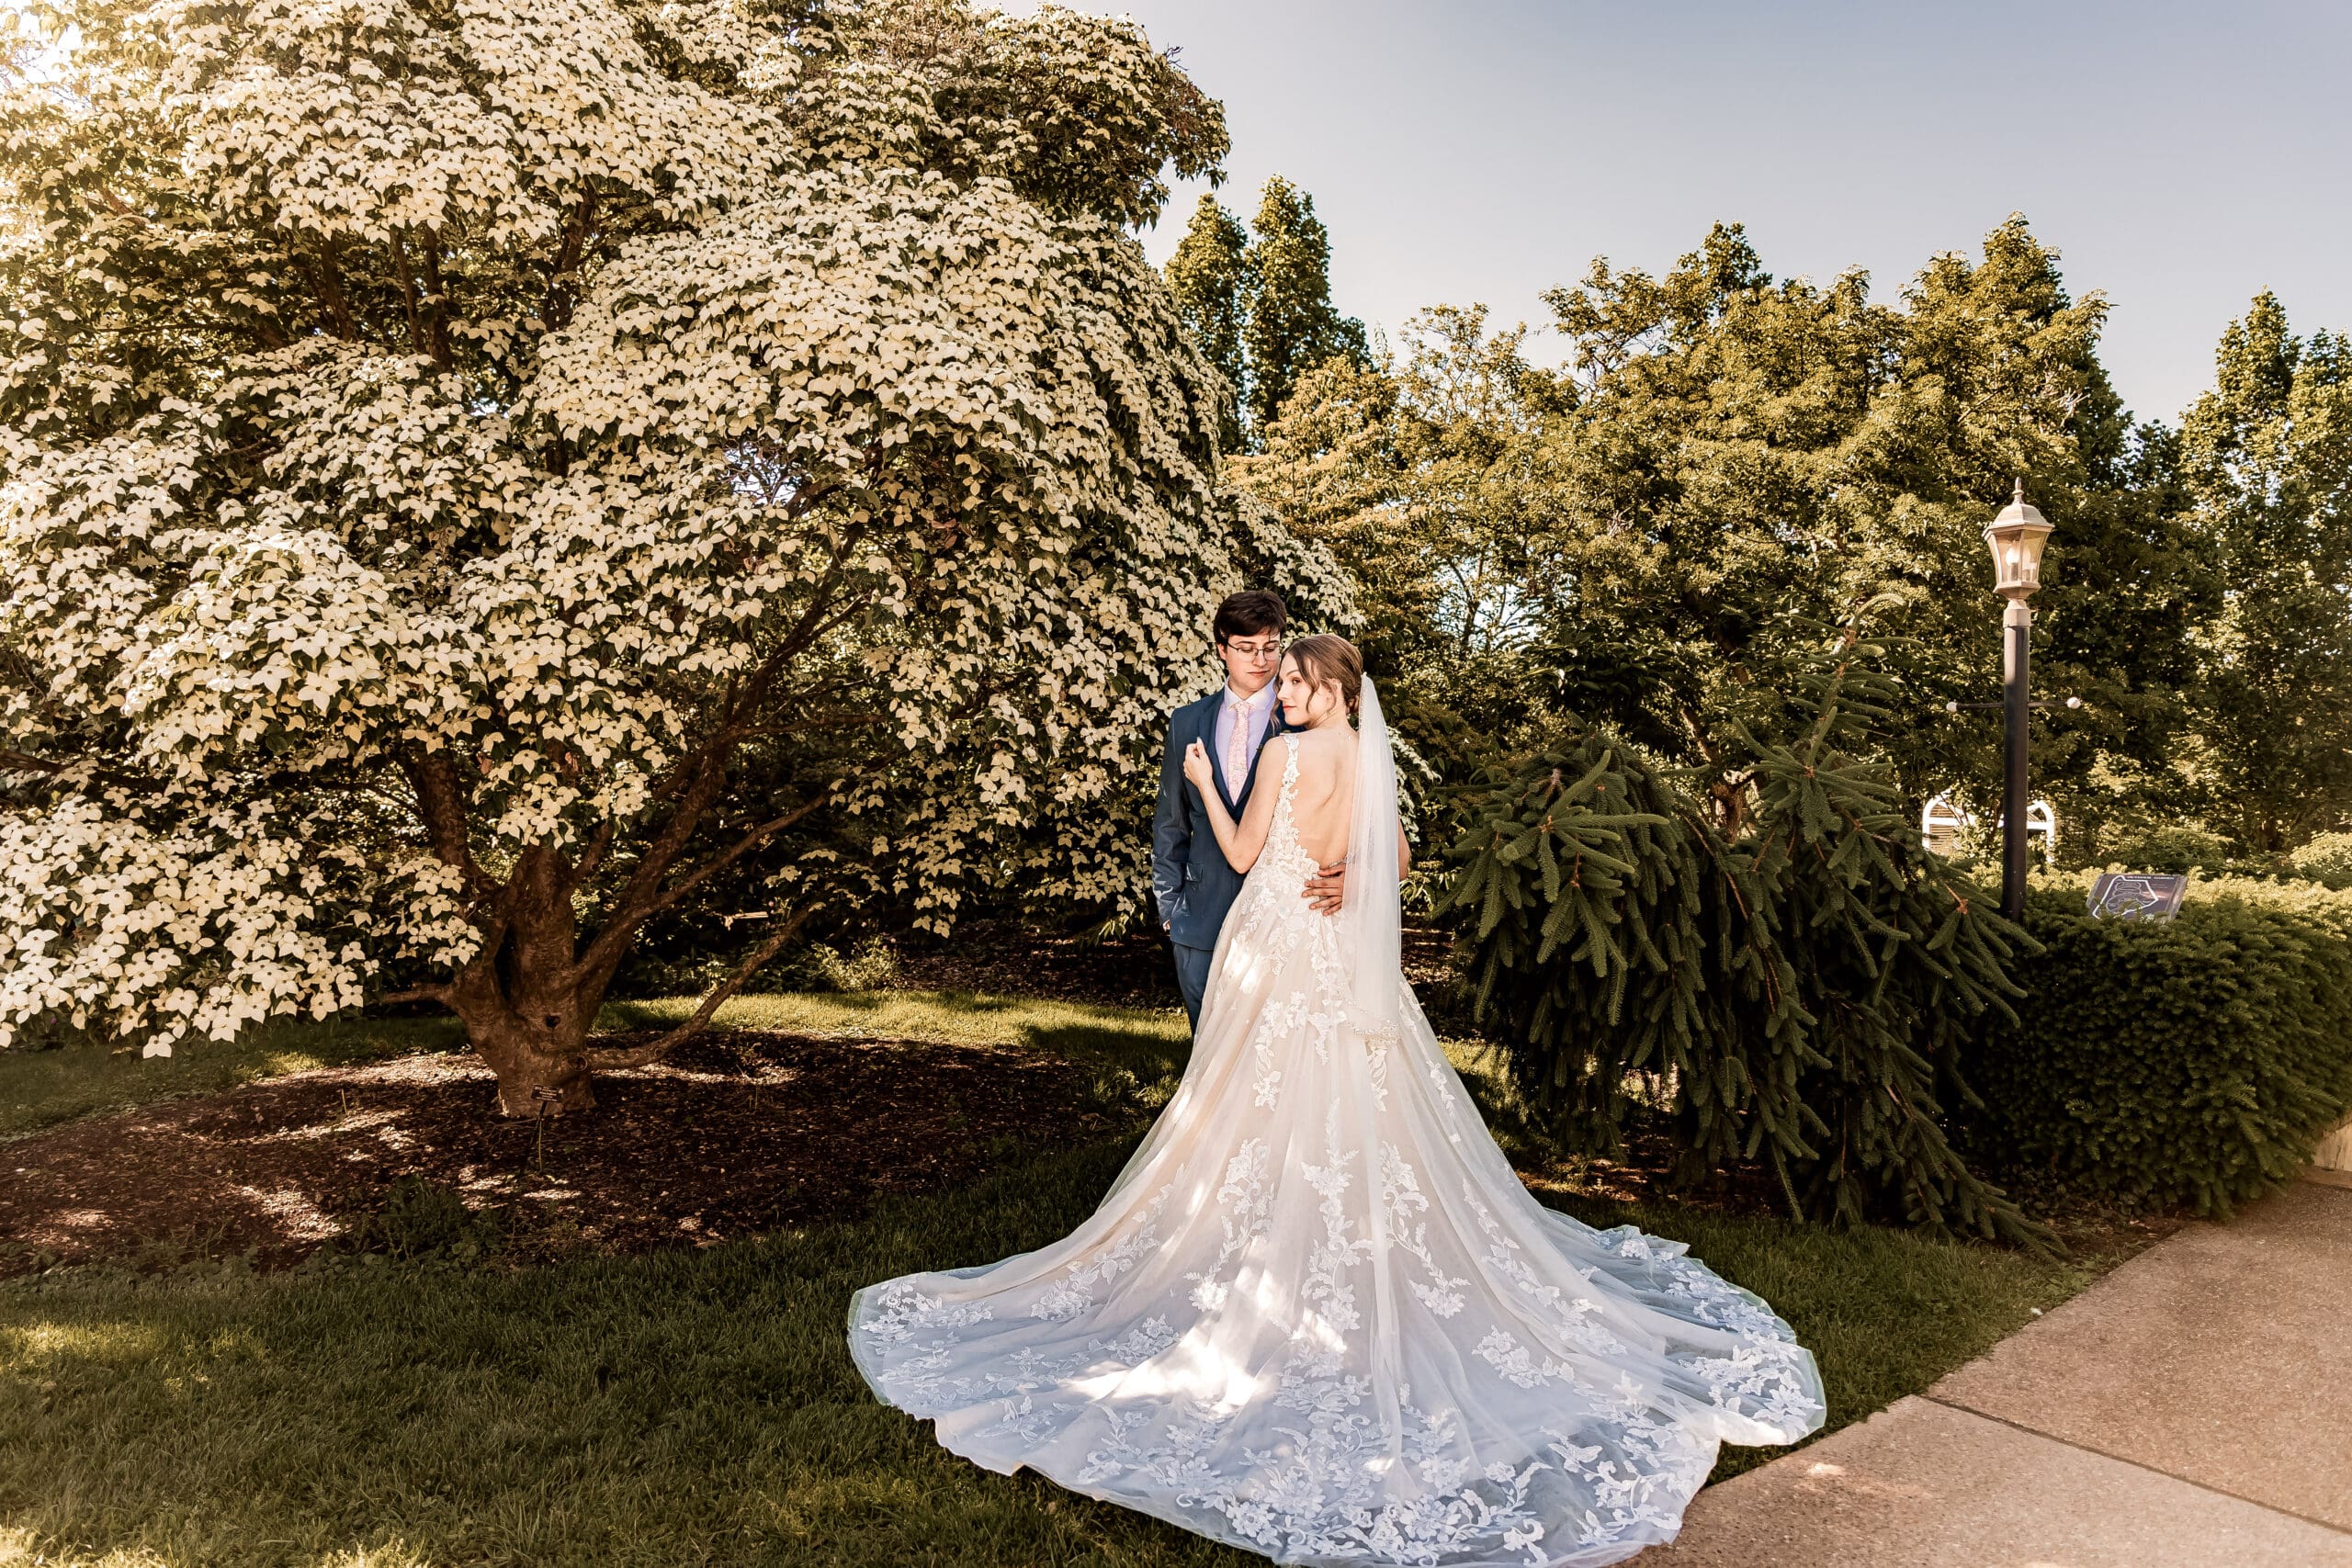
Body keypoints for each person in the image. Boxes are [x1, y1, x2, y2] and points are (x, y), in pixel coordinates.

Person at [847, 636, 1826, 1568]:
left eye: (1299, 685)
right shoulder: (1367, 753)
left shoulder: (1286, 753)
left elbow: (1235, 856)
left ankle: (1263, 1244)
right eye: (1283, 686)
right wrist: (1347, 872)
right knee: (1354, 1098)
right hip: (1339, 957)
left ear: (1334, 690)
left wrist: (1198, 787)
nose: (1283, 695)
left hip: (1278, 946)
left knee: (1252, 1098)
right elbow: (1393, 863)